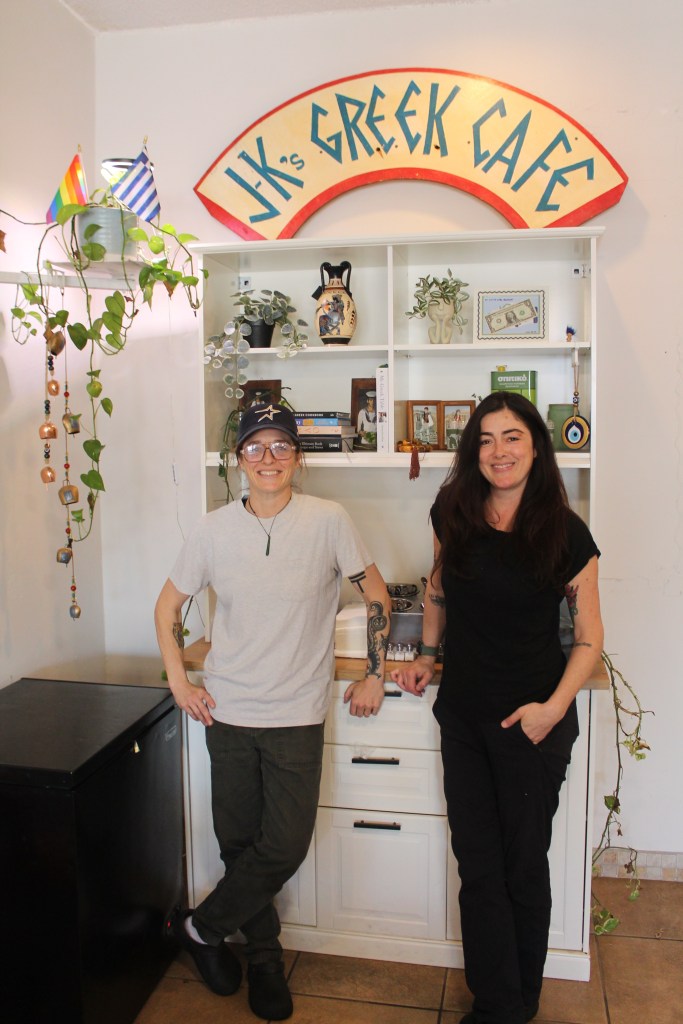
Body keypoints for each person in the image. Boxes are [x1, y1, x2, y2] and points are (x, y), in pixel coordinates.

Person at [155, 402, 390, 1022]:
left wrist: (375, 672)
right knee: (239, 842)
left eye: (280, 447)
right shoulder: (211, 530)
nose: (268, 459)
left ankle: (199, 927)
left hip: (296, 714)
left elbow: (377, 593)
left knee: (283, 845)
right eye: (255, 448)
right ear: (239, 461)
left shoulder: (328, 520)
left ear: (299, 459)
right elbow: (167, 608)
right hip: (227, 710)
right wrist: (180, 679)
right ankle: (263, 957)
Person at [391, 391, 603, 1024]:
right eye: (485, 440)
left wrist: (550, 710)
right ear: (472, 450)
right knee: (477, 866)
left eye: (511, 437)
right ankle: (496, 1004)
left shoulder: (565, 531)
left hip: (532, 726)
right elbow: (437, 590)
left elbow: (590, 639)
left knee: (520, 865)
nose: (498, 451)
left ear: (535, 445)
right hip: (462, 718)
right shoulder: (452, 510)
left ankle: (519, 1003)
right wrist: (428, 655)